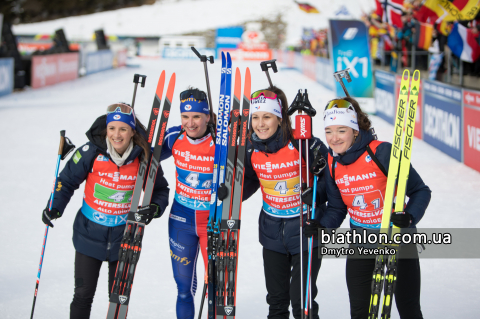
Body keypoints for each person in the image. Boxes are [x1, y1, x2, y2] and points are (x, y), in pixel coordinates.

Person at [305, 97, 431, 319]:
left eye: (341, 130)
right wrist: (322, 227)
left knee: (408, 308)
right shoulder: (333, 163)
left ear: (355, 130)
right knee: (361, 311)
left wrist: (409, 217)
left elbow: (420, 190)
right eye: (329, 131)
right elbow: (336, 208)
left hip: (397, 239)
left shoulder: (381, 152)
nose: (334, 138)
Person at [41, 103, 170, 319]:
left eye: (123, 129)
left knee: (118, 300)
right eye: (112, 128)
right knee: (82, 295)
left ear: (132, 131)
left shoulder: (144, 158)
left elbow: (160, 190)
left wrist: (154, 208)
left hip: (125, 239)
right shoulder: (90, 151)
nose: (116, 135)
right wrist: (55, 206)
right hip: (88, 235)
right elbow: (66, 180)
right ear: (106, 129)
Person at [241, 86, 329, 319]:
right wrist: (230, 193)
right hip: (271, 232)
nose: (260, 124)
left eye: (267, 117)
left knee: (303, 304)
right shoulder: (251, 148)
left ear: (280, 119)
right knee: (277, 302)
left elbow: (332, 185)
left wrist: (317, 197)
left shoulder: (304, 144)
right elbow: (250, 180)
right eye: (256, 117)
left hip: (305, 232)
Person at [160, 88, 214, 319]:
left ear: (207, 117)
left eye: (196, 117)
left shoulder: (222, 140)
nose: (190, 123)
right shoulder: (173, 137)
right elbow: (141, 155)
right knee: (183, 289)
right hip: (181, 219)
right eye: (185, 116)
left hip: (213, 221)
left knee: (216, 290)